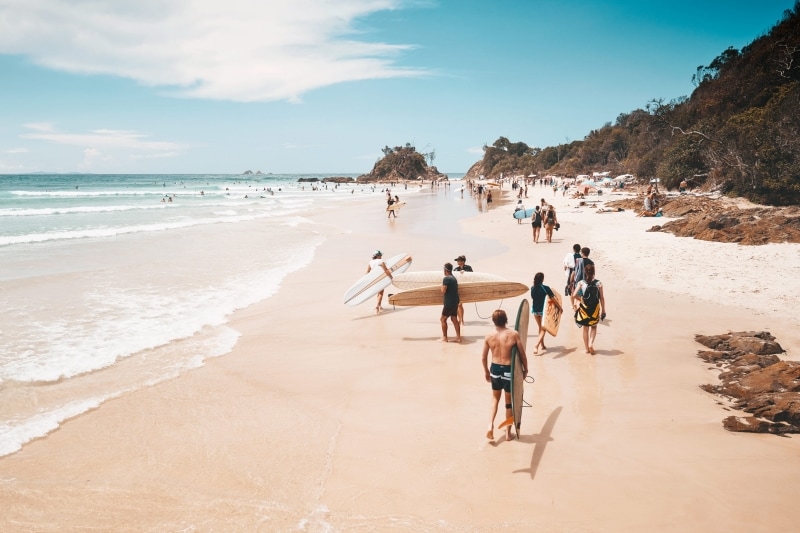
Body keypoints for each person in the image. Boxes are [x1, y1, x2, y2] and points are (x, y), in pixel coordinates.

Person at [481, 309, 528, 441]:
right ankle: (508, 434)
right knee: (509, 403)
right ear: (506, 319)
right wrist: (525, 369)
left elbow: (483, 357)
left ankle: (490, 426)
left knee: (495, 399)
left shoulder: (489, 336)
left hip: (495, 369)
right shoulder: (513, 334)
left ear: (493, 321)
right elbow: (522, 354)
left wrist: (486, 371)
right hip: (508, 370)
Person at [571, 263, 606, 355]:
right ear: (594, 272)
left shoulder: (581, 283)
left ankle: (586, 348)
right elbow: (602, 298)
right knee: (594, 326)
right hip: (595, 308)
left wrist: (581, 299)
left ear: (585, 272)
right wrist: (603, 310)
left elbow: (574, 295)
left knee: (585, 328)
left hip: (584, 309)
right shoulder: (599, 283)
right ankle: (591, 343)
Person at [531, 272, 562, 355]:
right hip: (543, 312)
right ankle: (536, 346)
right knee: (543, 329)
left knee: (540, 328)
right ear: (542, 279)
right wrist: (560, 308)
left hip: (535, 311)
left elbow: (533, 298)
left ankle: (542, 345)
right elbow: (553, 299)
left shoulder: (532, 288)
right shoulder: (546, 288)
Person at [440, 262, 461, 342]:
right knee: (454, 319)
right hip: (455, 302)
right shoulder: (454, 278)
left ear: (446, 270)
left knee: (443, 319)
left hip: (449, 303)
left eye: (444, 269)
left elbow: (443, 291)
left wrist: (441, 288)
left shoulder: (446, 279)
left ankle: (445, 338)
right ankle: (458, 337)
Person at [453, 255, 473, 325]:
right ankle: (460, 319)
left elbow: (472, 276)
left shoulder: (468, 268)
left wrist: (464, 273)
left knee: (460, 304)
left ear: (463, 261)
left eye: (459, 261)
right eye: (457, 261)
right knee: (457, 305)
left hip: (465, 288)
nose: (457, 262)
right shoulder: (455, 269)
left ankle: (461, 320)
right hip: (457, 288)